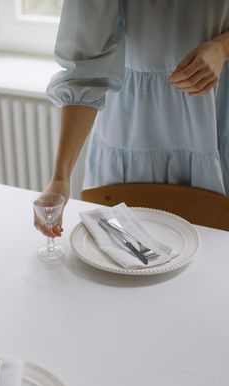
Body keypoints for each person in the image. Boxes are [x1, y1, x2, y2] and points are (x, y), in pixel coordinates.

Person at [34, 0, 229, 238]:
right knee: (123, 249)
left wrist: (222, 47)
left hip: (215, 109)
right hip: (129, 125)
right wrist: (60, 178)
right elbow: (83, 66)